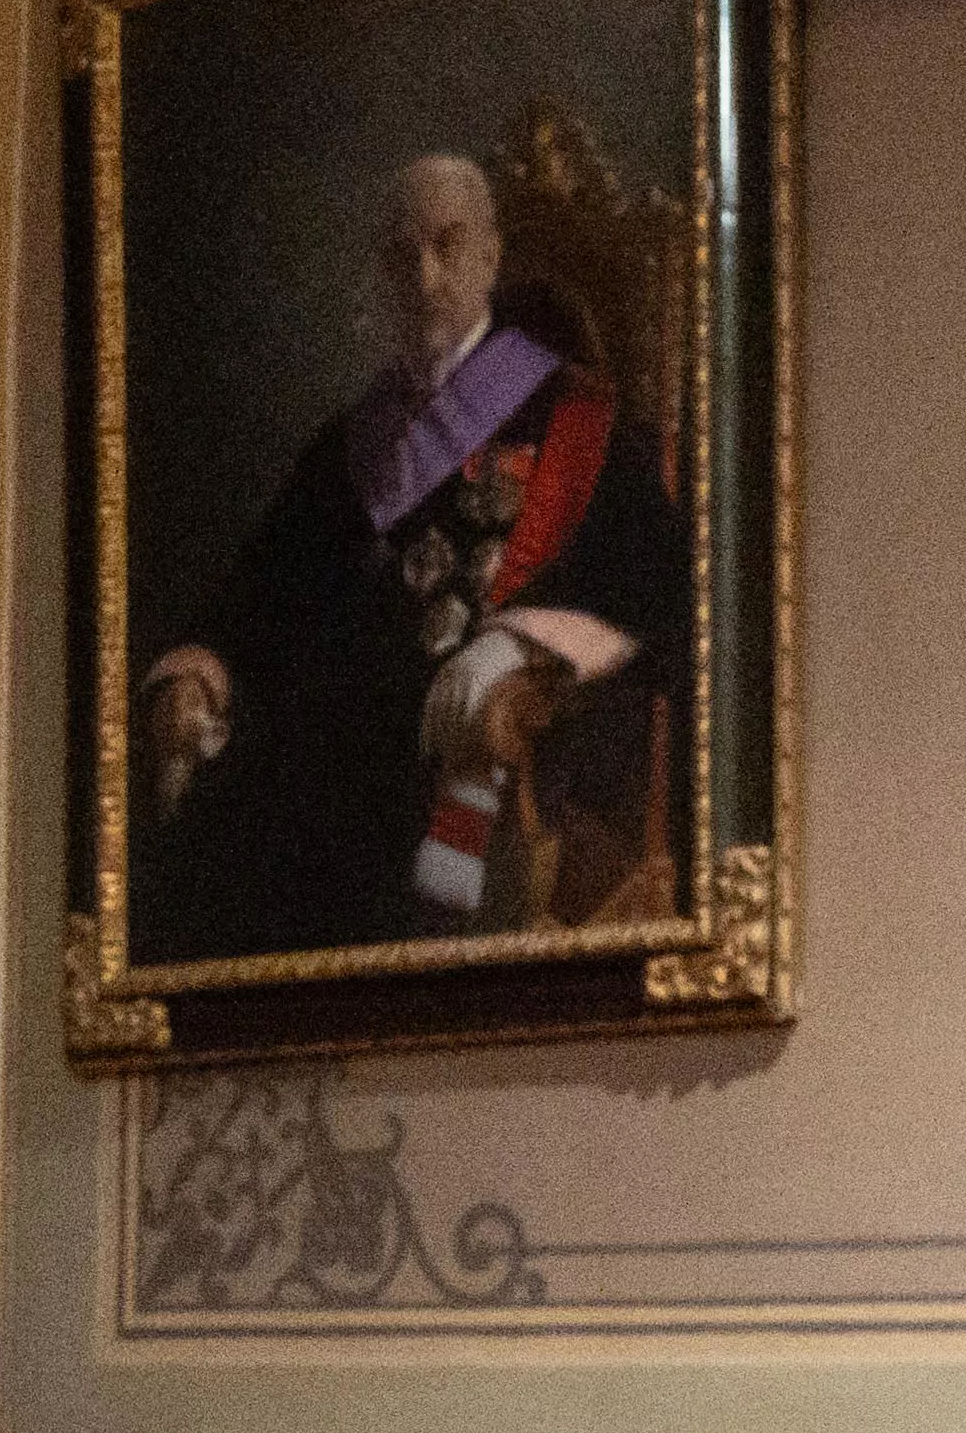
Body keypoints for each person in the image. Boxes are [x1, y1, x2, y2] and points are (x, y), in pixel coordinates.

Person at [131, 148, 685, 961]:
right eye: (401, 255)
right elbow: (258, 592)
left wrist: (524, 644)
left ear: (491, 257)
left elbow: (668, 602)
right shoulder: (351, 442)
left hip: (456, 770)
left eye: (447, 246)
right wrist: (196, 669)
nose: (424, 278)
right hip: (326, 766)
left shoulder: (575, 421)